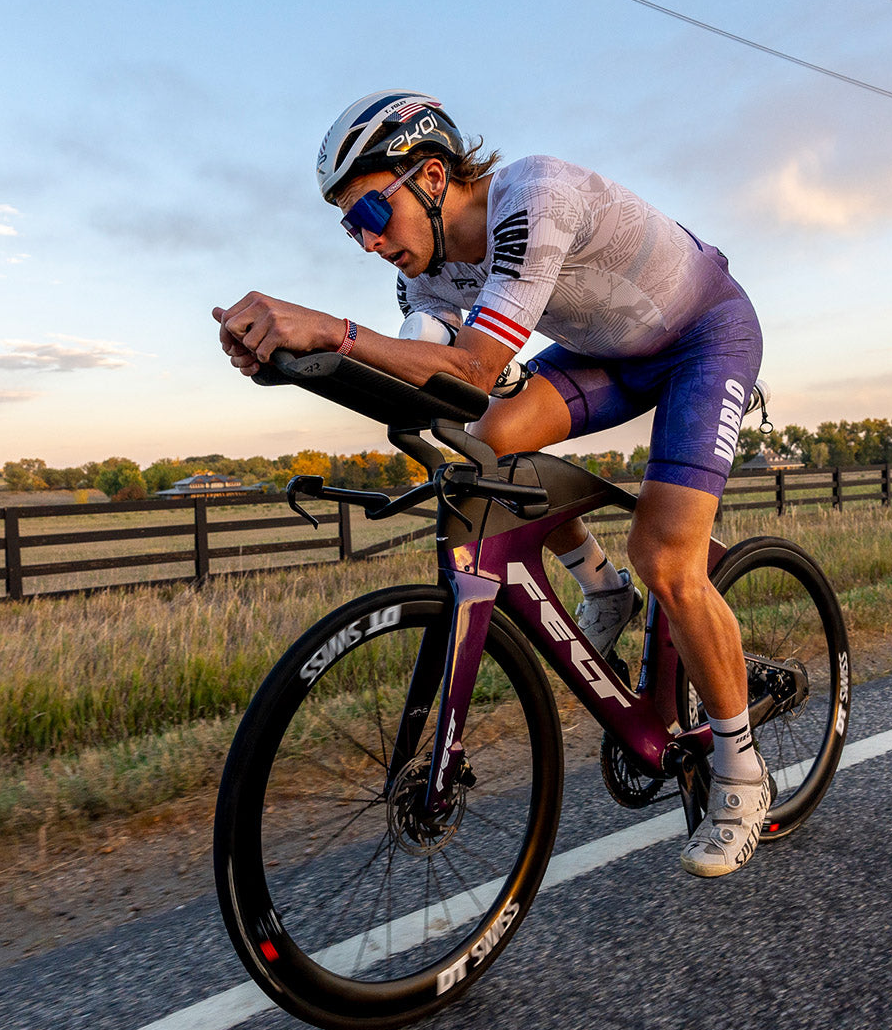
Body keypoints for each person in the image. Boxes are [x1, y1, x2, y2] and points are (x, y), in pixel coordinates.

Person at [214, 90, 767, 878]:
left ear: (432, 177)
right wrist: (291, 362)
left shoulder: (532, 198)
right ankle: (601, 587)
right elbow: (431, 394)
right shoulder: (427, 279)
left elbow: (473, 365)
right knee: (481, 443)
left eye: (370, 215)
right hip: (609, 351)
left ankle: (741, 772)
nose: (367, 243)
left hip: (704, 334)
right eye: (350, 228)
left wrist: (329, 328)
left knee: (669, 559)